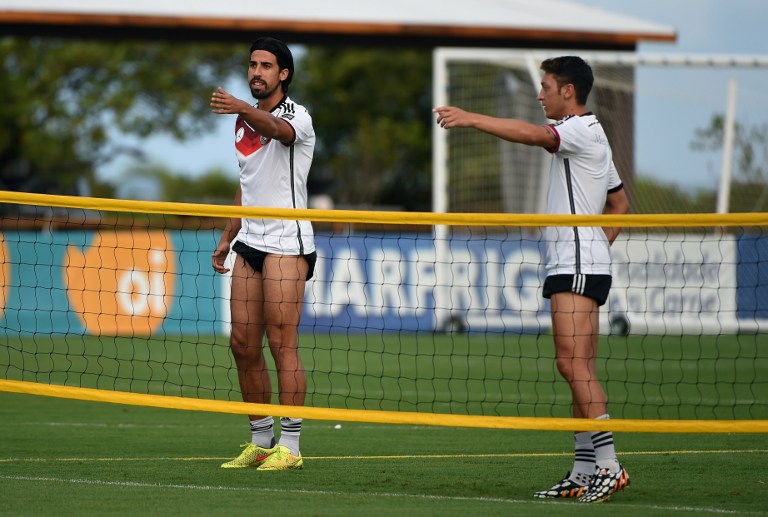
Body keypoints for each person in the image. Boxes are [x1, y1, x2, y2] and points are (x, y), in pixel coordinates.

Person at [434, 56, 631, 503]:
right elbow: (619, 205)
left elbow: (536, 136)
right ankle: (584, 470)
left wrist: (469, 118)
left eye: (546, 86)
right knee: (578, 366)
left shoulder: (579, 129)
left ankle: (609, 465)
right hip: (579, 260)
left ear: (568, 90)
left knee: (571, 364)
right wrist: (596, 245)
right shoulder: (590, 134)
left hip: (576, 263)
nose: (540, 94)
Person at [210, 36, 316, 471]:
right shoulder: (242, 121)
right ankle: (260, 440)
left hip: (288, 243)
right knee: (241, 344)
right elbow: (247, 179)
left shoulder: (298, 115)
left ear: (283, 74)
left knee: (281, 342)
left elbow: (277, 130)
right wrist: (227, 234)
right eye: (252, 64)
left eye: (266, 66)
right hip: (250, 242)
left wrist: (240, 107)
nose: (256, 71)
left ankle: (289, 448)